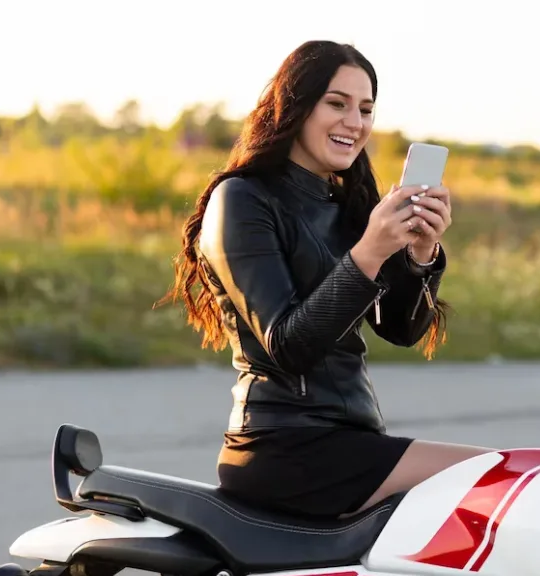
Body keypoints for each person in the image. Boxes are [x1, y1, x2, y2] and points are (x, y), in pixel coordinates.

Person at [160, 40, 493, 519]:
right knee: (498, 477)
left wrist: (421, 254)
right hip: (284, 448)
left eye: (365, 109)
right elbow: (288, 344)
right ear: (294, 106)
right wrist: (370, 252)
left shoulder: (347, 206)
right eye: (336, 104)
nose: (354, 123)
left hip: (351, 441)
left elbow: (400, 330)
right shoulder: (242, 200)